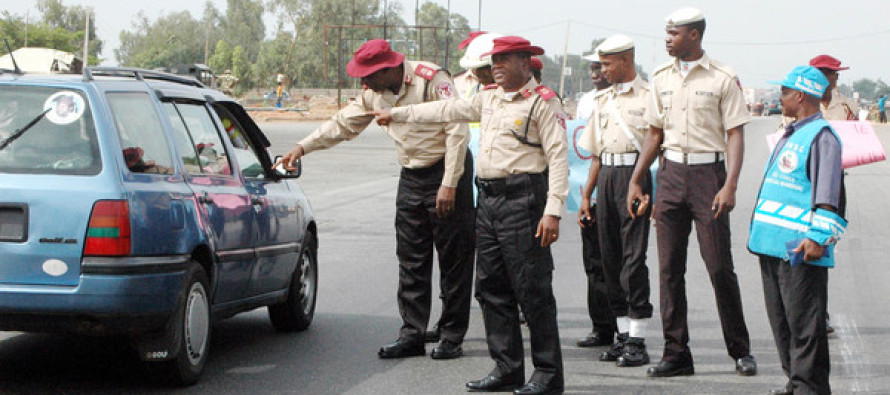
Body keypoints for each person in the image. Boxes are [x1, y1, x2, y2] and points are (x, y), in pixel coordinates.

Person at [374, 35, 568, 395]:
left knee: (532, 290)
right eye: (494, 60)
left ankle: (547, 374)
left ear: (526, 62)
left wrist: (553, 211)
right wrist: (397, 113)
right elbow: (445, 111)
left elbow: (557, 160)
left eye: (504, 60)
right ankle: (507, 367)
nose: (495, 66)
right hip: (489, 200)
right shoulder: (489, 97)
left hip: (523, 199)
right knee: (490, 288)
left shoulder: (542, 102)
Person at [279, 39, 475, 361]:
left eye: (367, 76)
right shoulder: (374, 92)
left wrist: (449, 183)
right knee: (411, 260)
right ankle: (412, 334)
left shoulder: (431, 78)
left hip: (447, 171)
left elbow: (457, 129)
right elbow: (343, 124)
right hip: (412, 175)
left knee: (454, 259)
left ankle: (451, 335)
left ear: (388, 69)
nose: (362, 83)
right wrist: (302, 147)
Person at [627, 7, 757, 377]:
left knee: (718, 267)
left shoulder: (721, 77)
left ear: (695, 35)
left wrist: (730, 183)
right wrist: (638, 178)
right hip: (670, 173)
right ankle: (676, 353)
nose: (667, 38)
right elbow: (654, 132)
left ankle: (740, 350)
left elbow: (734, 132)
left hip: (708, 176)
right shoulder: (660, 77)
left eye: (674, 33)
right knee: (669, 269)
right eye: (666, 32)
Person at [748, 65, 846, 395]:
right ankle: (795, 381)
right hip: (772, 246)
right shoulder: (792, 132)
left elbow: (828, 193)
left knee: (806, 326)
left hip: (800, 248)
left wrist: (818, 238)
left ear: (800, 95)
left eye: (785, 92)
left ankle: (810, 388)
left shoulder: (822, 137)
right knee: (783, 323)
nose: (781, 97)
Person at [579, 34, 653, 367]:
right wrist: (586, 194)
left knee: (632, 261)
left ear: (626, 60)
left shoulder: (650, 96)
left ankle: (638, 339)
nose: (602, 70)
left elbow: (659, 147)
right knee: (609, 260)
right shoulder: (602, 100)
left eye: (607, 63)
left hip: (635, 178)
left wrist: (653, 191)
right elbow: (596, 153)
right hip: (607, 177)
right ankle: (622, 336)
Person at [574, 51, 618, 351]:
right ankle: (601, 327)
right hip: (589, 187)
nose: (594, 73)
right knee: (594, 262)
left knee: (620, 261)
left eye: (600, 67)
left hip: (620, 186)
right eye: (591, 68)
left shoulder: (634, 99)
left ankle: (626, 329)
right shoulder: (586, 102)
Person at [454, 32, 502, 100]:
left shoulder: (515, 94)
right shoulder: (474, 92)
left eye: (482, 67)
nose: (477, 73)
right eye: (475, 68)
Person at [809, 55, 857, 121]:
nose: (822, 78)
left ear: (836, 77)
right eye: (819, 74)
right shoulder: (804, 105)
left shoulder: (848, 105)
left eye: (827, 73)